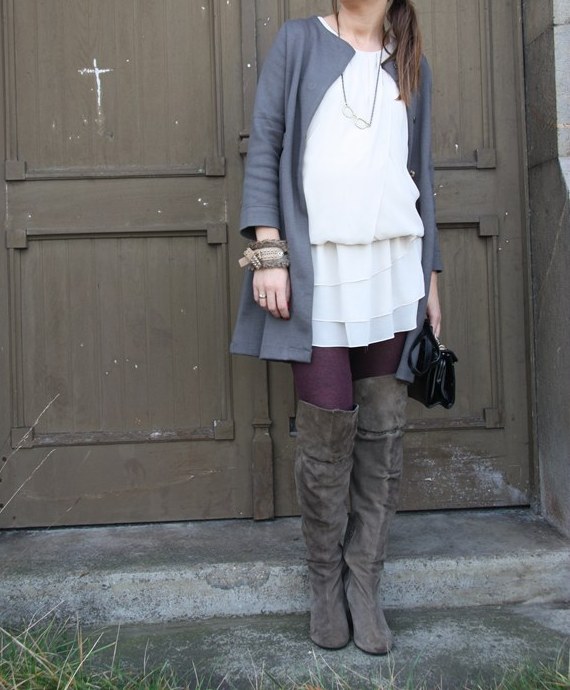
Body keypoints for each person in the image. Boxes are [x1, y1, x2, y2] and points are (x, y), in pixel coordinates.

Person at [231, 0, 442, 655]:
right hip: (317, 269)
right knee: (325, 435)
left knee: (383, 431)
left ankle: (363, 584)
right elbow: (266, 143)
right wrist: (269, 252)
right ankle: (324, 584)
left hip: (393, 269)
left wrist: (431, 282)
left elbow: (421, 175)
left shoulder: (412, 63)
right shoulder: (298, 42)